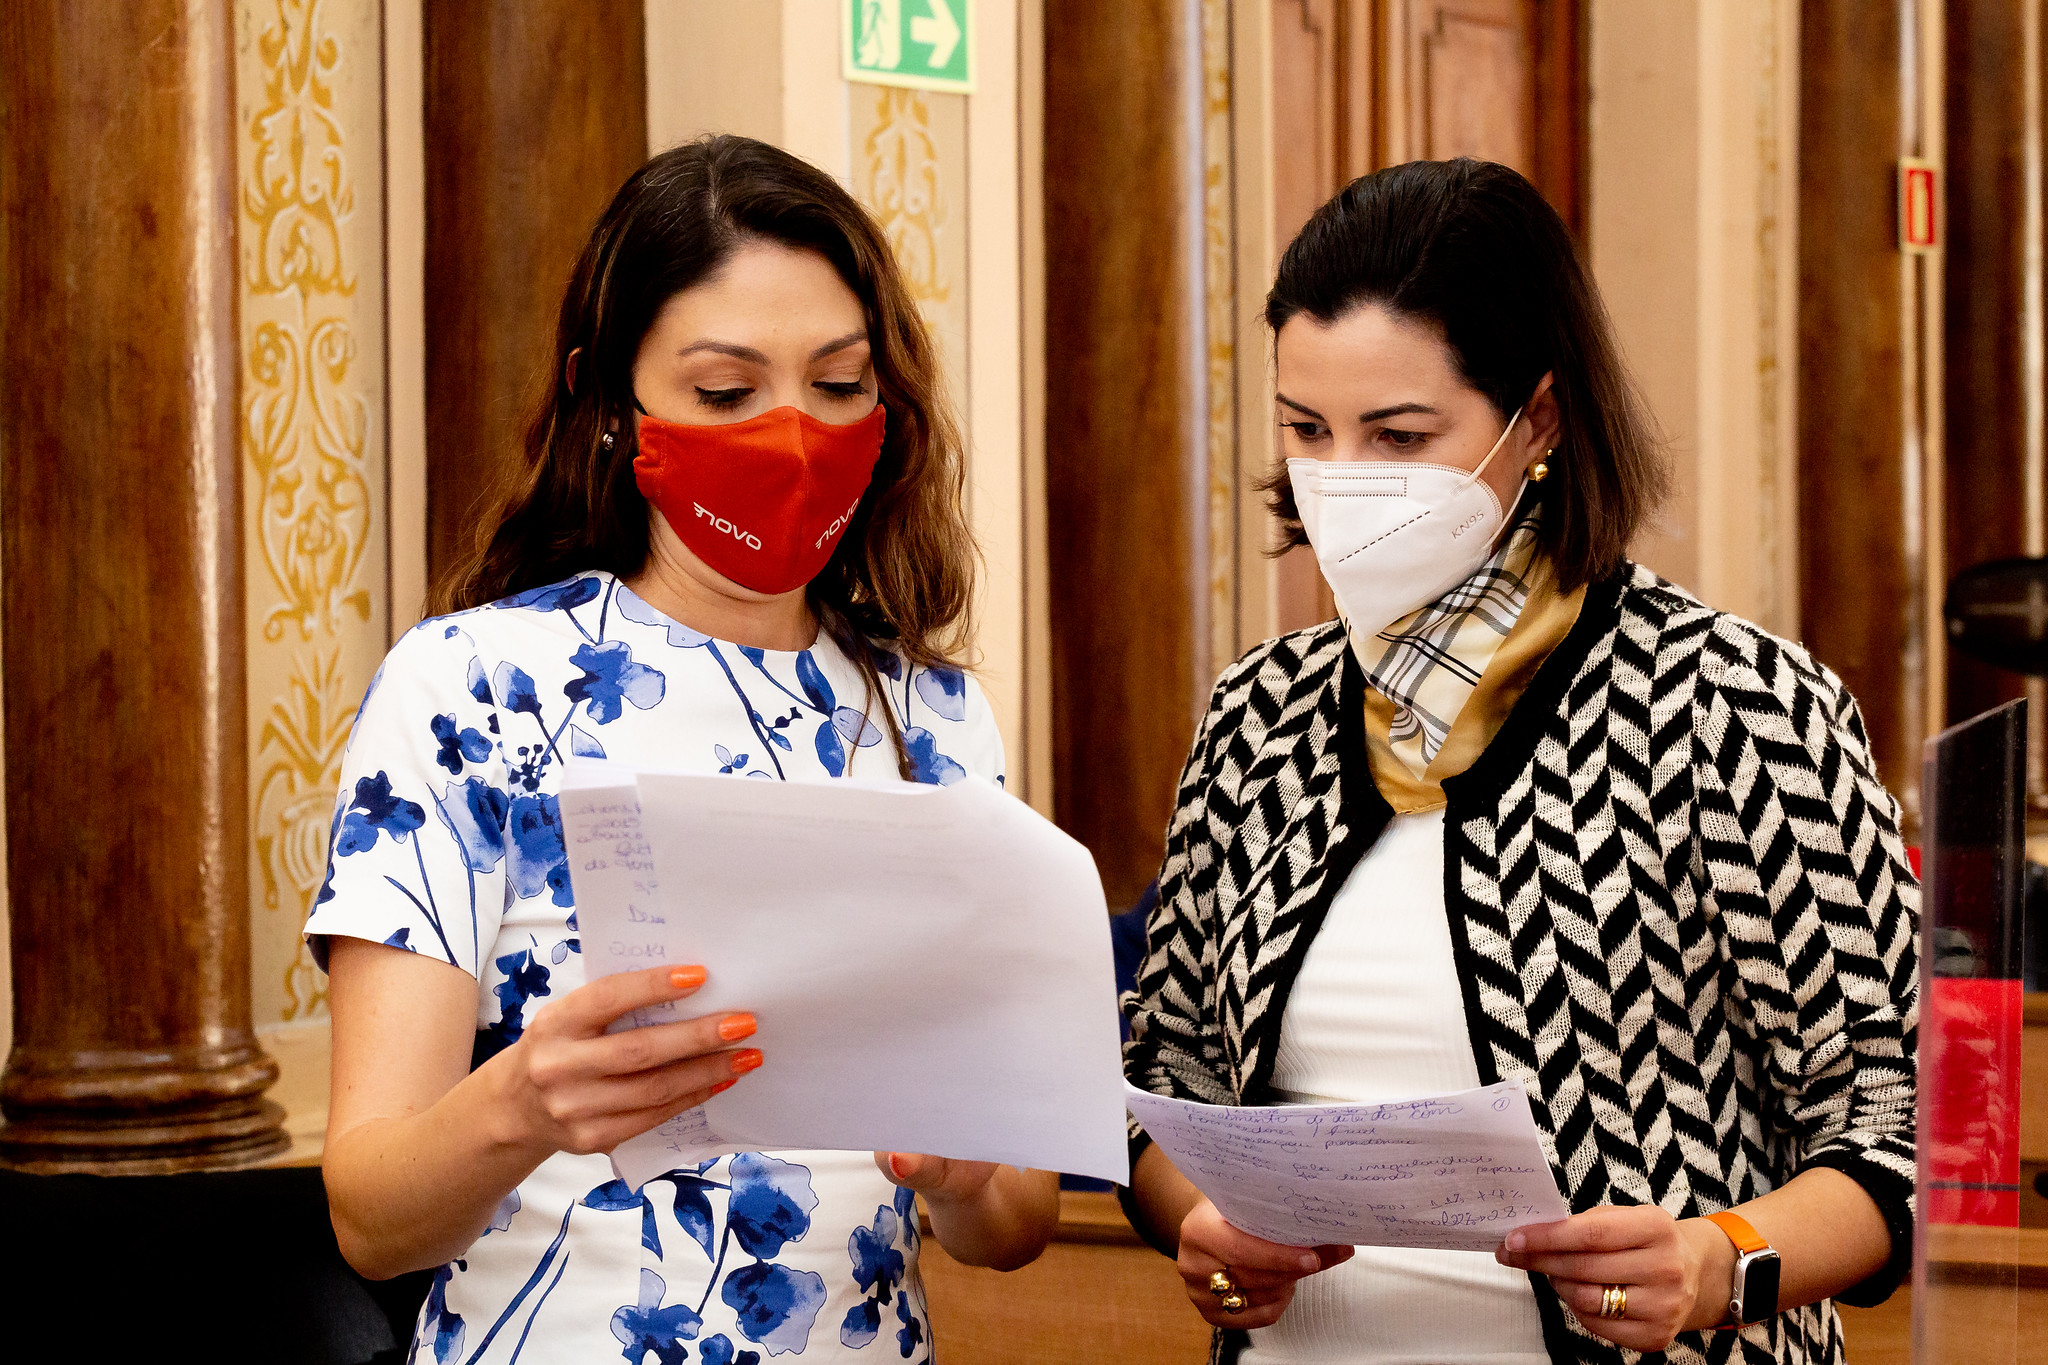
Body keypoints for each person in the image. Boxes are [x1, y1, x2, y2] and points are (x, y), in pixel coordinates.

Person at [1120, 158, 1916, 1365]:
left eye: (1397, 434)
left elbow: (1890, 1115)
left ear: (1534, 419)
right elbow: (1159, 1066)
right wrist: (1199, 1225)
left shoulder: (1727, 703)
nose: (1338, 480)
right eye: (1304, 430)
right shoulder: (1258, 715)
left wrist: (1718, 1263)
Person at [311, 134, 1058, 1365]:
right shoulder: (471, 686)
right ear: (612, 405)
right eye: (724, 393)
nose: (792, 434)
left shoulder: (932, 721)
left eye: (837, 384)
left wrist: (967, 1174)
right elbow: (370, 1221)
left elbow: (1011, 1224)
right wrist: (521, 1102)